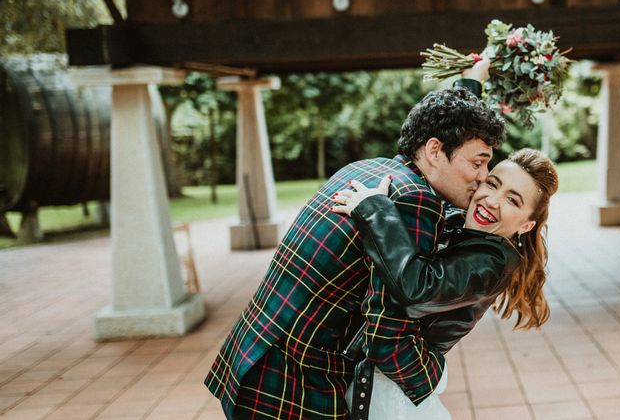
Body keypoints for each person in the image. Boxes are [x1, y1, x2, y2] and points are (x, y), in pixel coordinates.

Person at [205, 64, 504, 419]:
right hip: (295, 385)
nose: (483, 178)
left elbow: (452, 119)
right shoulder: (412, 199)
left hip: (254, 352)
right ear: (435, 151)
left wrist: (471, 83)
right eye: (478, 163)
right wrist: (432, 385)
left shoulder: (366, 168)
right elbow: (386, 330)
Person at [331, 148, 558, 420]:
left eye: (512, 200)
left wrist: (375, 211)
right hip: (388, 375)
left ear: (526, 226)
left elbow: (417, 289)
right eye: (492, 184)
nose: (492, 200)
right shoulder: (462, 224)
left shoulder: (492, 264)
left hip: (394, 392)